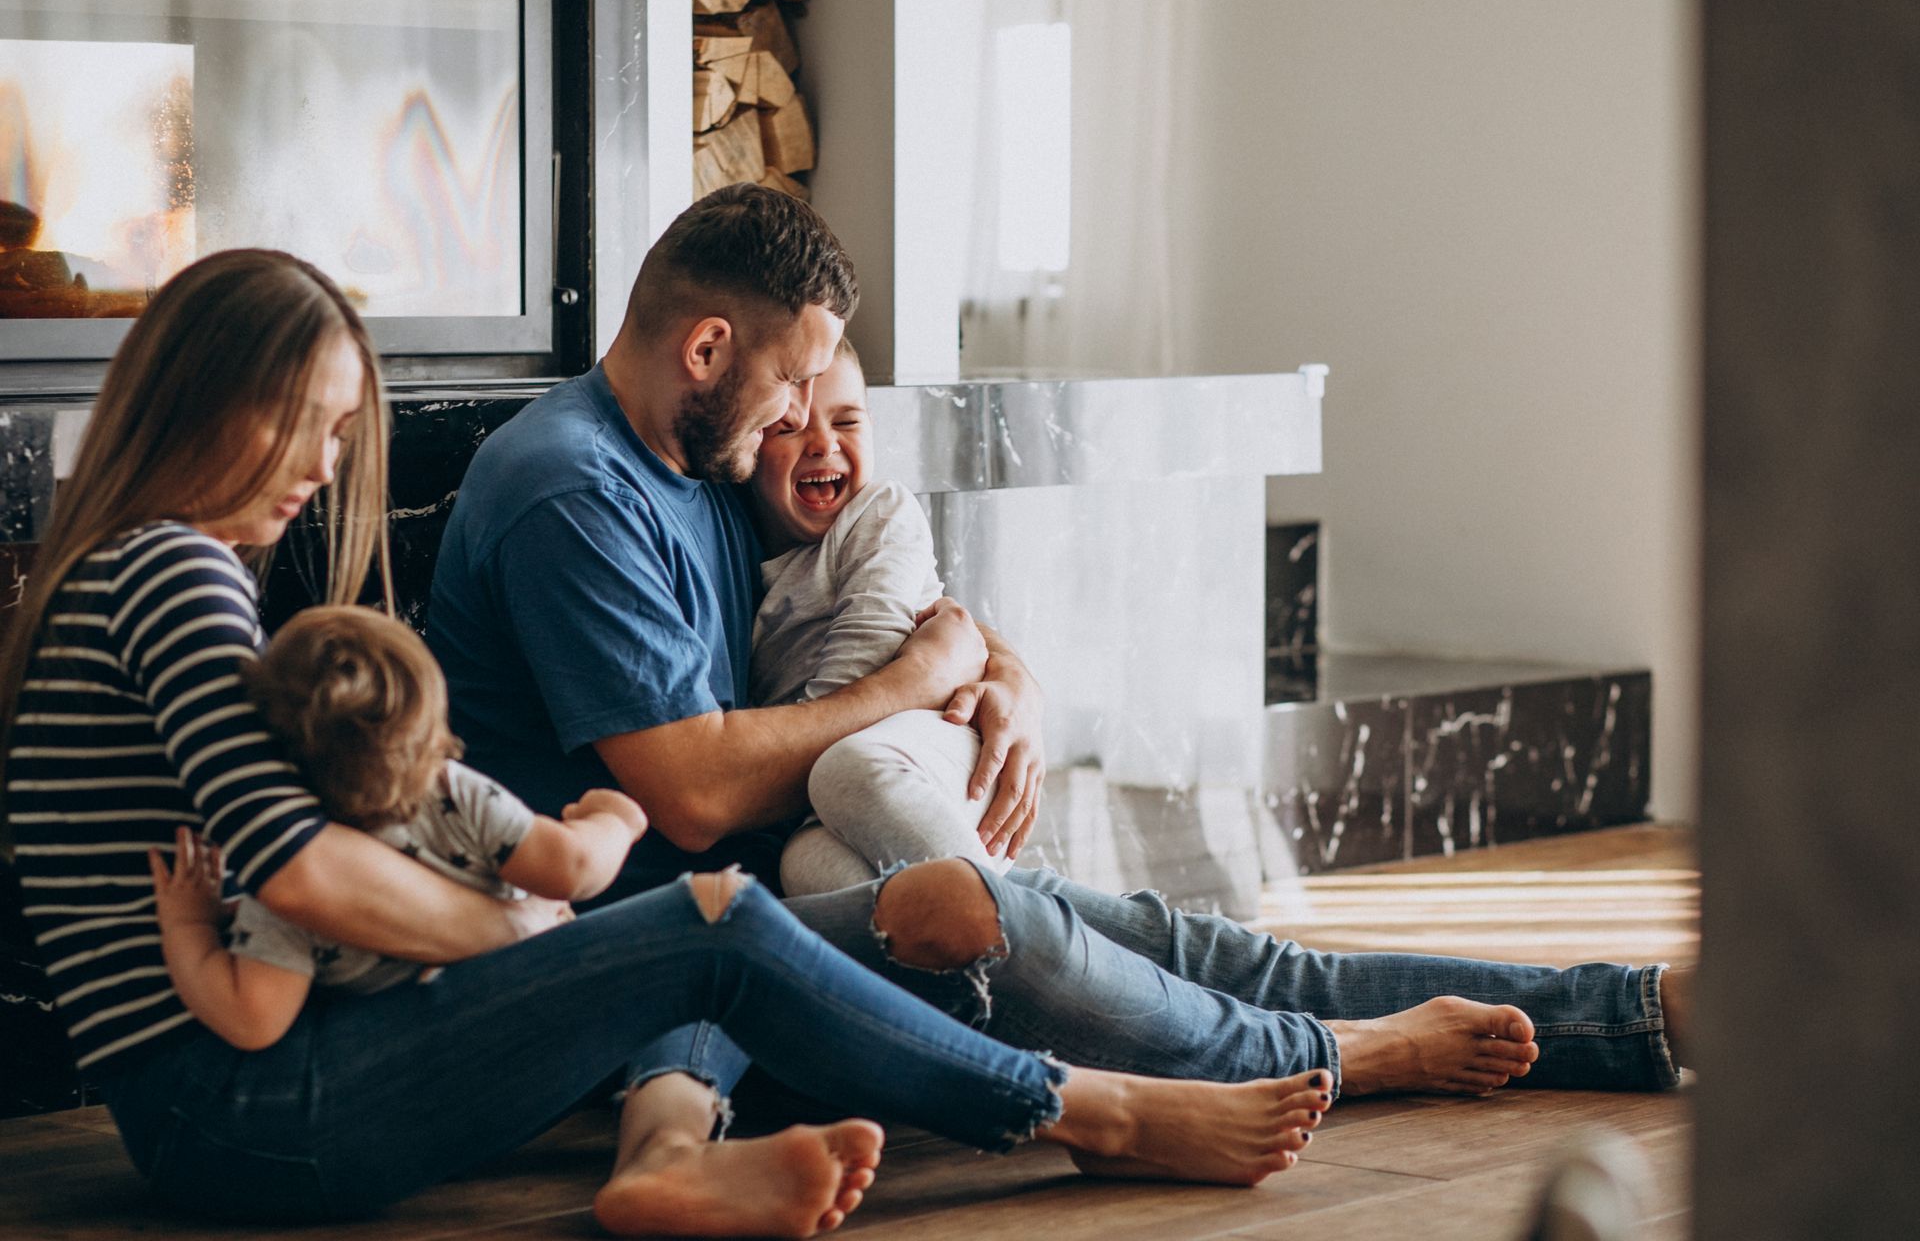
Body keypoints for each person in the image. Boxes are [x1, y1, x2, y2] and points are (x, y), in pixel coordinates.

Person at [0, 248, 1338, 1235]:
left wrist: (997, 665)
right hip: (249, 1118)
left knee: (721, 928)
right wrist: (530, 939)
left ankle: (704, 1146)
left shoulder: (135, 571)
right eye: (305, 418)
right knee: (701, 925)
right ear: (203, 399)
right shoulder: (172, 577)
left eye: (346, 429)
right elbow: (298, 873)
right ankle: (1094, 1111)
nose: (327, 462)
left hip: (242, 1102)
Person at [426, 184, 1686, 1167]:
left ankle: (1625, 1011)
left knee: (1174, 936)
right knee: (1012, 920)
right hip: (666, 954)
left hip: (787, 891)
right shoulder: (570, 491)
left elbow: (884, 596)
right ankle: (1335, 1056)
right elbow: (693, 794)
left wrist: (996, 668)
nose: (803, 411)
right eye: (791, 377)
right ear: (707, 346)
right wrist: (924, 675)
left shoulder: (696, 462)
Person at [150, 605, 651, 1048]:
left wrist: (187, 925)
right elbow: (574, 866)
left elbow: (254, 1020)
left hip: (402, 1068)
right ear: (429, 725)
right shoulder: (455, 794)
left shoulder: (289, 872)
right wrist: (616, 820)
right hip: (523, 1034)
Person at [746, 335, 1005, 895]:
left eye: (847, 422)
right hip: (828, 785)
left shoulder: (879, 512)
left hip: (934, 744)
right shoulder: (743, 555)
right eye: (788, 428)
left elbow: (862, 663)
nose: (822, 444)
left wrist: (769, 779)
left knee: (845, 771)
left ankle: (1026, 928)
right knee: (803, 869)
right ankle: (981, 955)